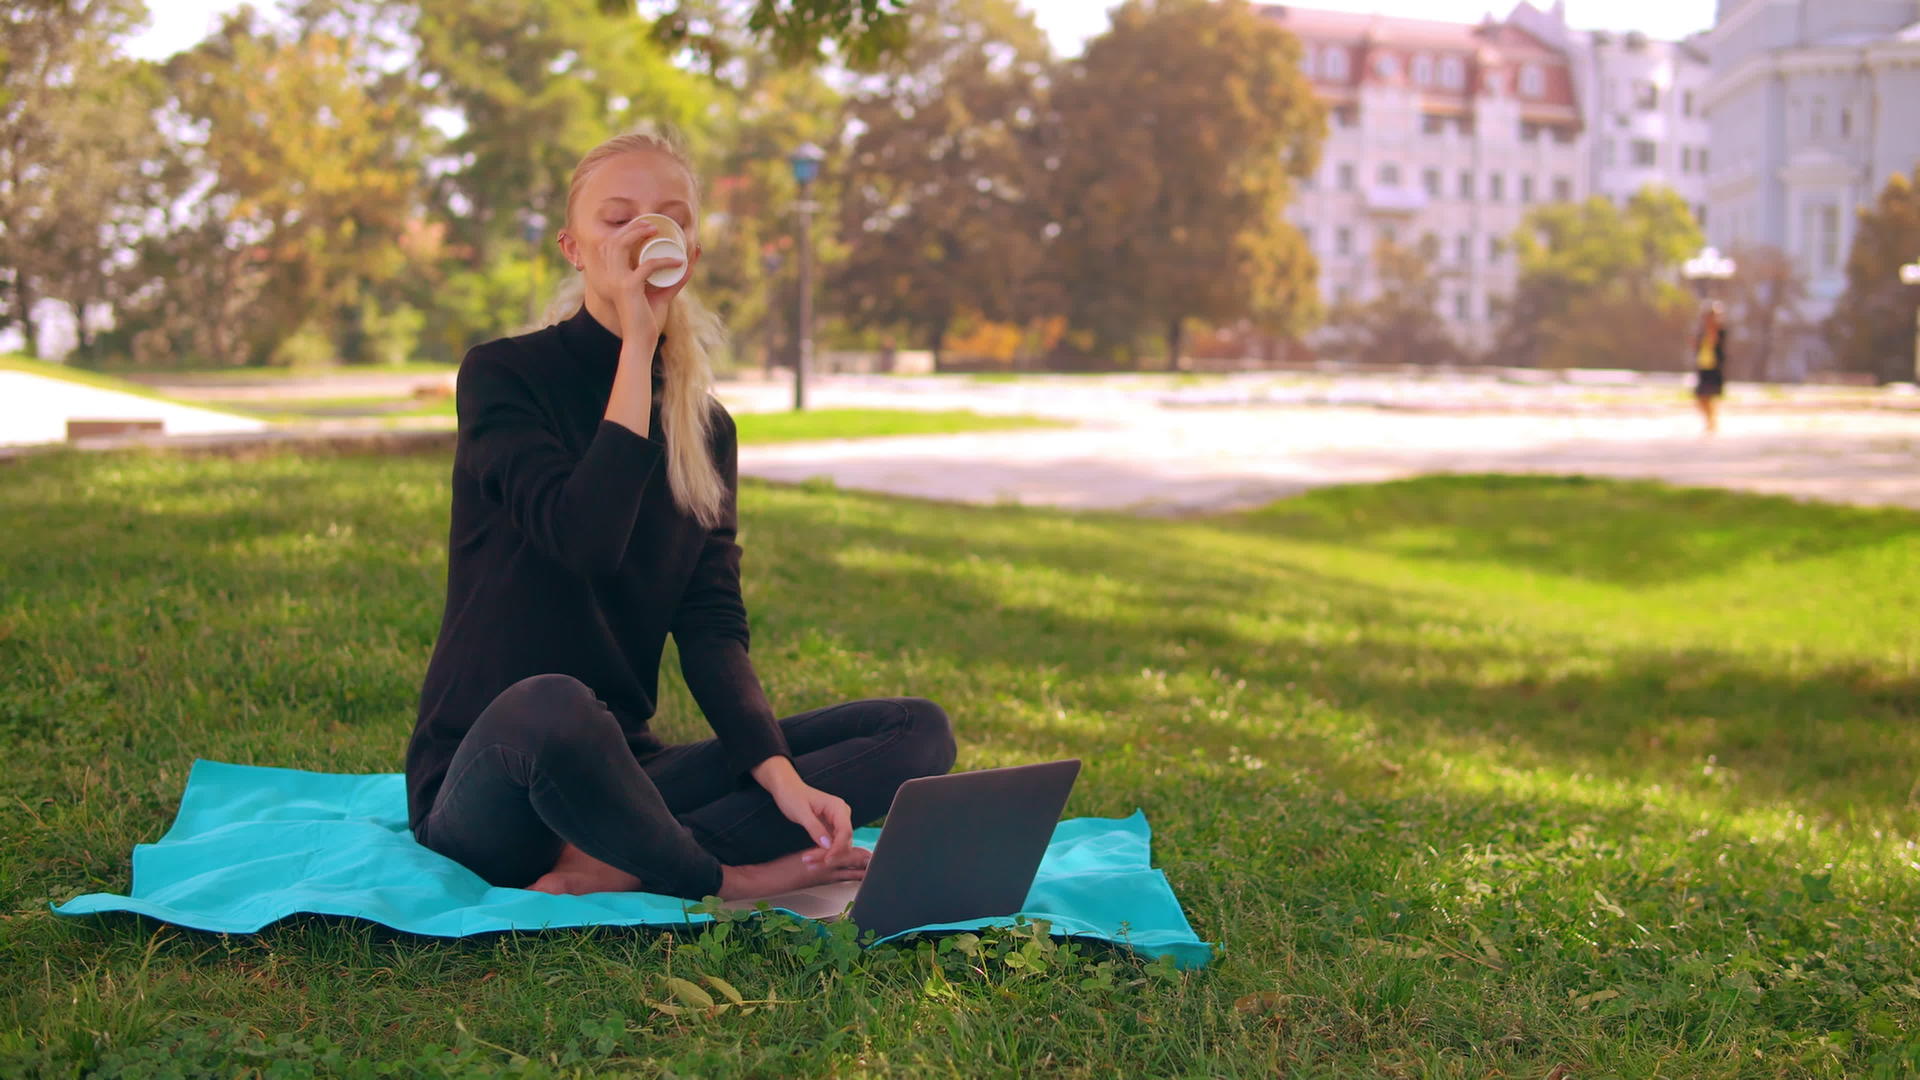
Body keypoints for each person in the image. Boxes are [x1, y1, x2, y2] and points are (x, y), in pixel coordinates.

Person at [404, 127, 956, 902]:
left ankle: (619, 859)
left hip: (624, 773)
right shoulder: (504, 376)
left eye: (669, 217)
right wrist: (637, 345)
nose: (644, 234)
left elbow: (710, 625)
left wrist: (780, 776)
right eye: (616, 217)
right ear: (574, 246)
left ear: (689, 252)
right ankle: (719, 875)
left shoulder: (705, 428)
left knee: (916, 732)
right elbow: (585, 539)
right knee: (555, 702)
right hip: (499, 774)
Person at [1691, 301, 1728, 435]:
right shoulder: (1701, 331)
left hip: (1714, 368)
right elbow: (1695, 345)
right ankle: (1710, 421)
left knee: (1710, 396)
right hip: (1703, 366)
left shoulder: (1720, 330)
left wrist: (1712, 327)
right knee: (1700, 397)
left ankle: (1711, 423)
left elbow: (1716, 342)